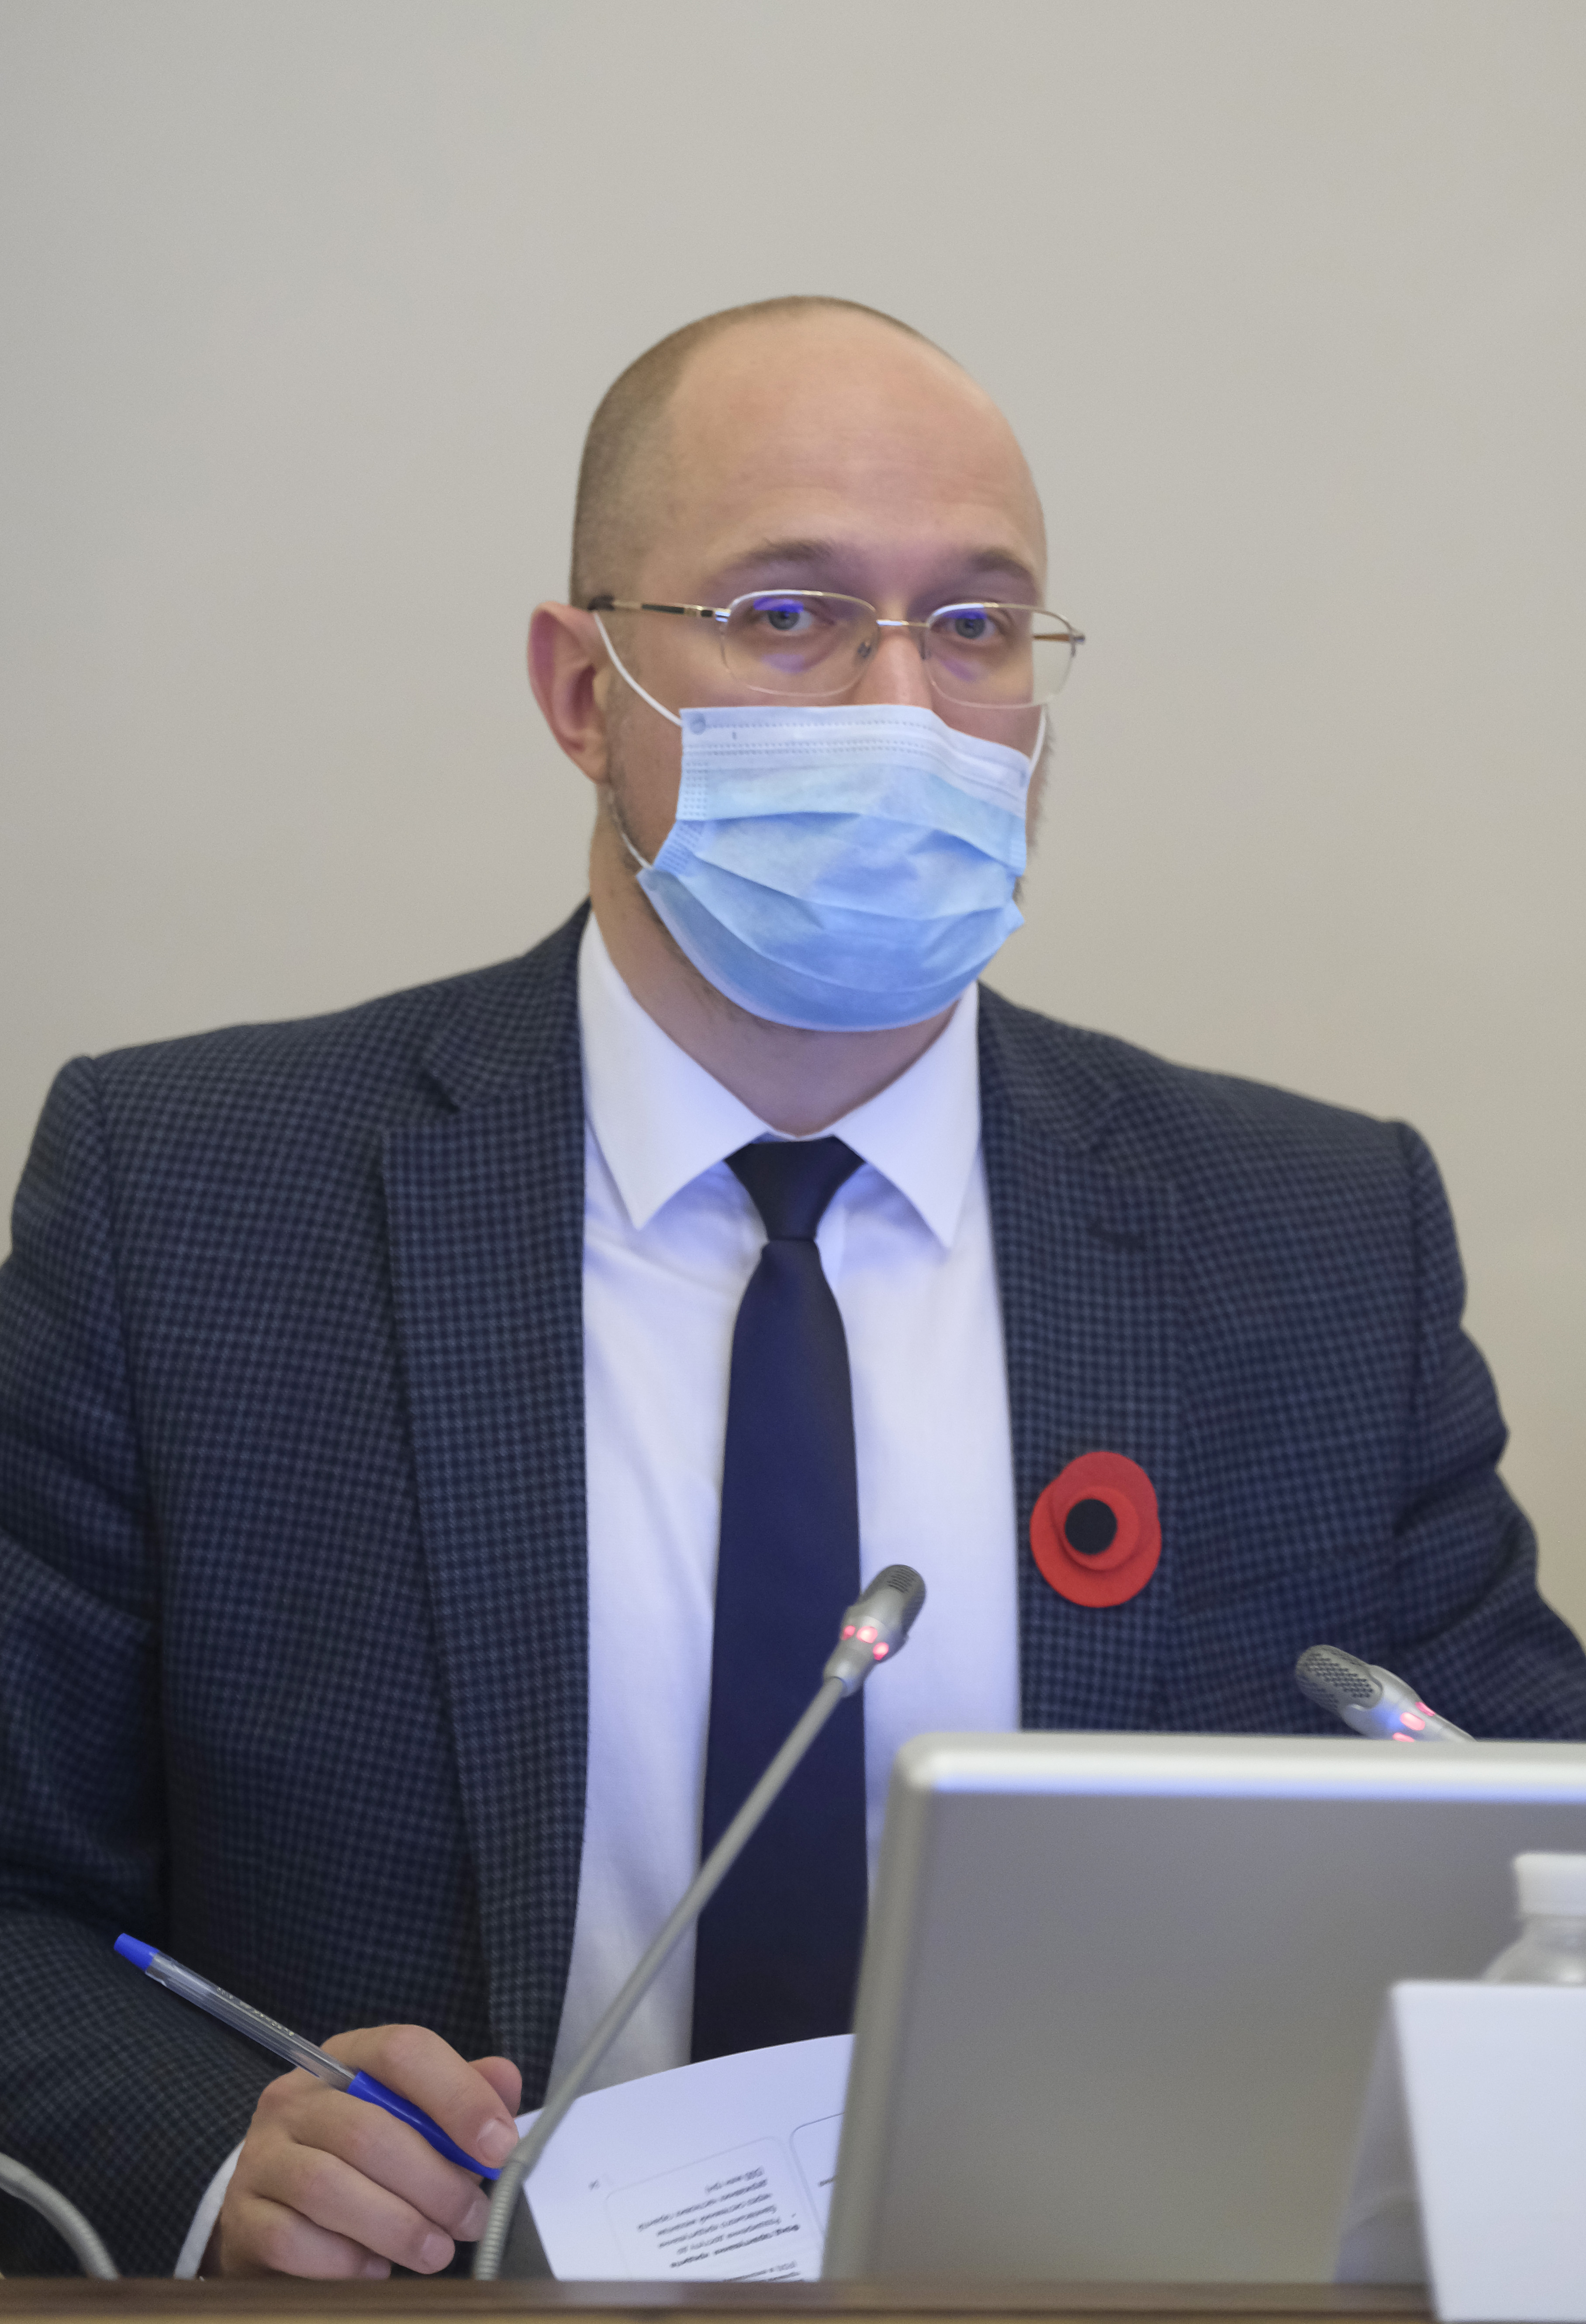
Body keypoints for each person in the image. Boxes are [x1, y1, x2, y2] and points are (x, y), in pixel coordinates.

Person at [2, 296, 1582, 2282]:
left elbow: (1533, 1864)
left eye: (975, 625)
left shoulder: (1315, 1240)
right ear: (580, 691)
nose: (902, 707)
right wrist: (221, 2156)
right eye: (786, 615)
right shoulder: (194, 1204)